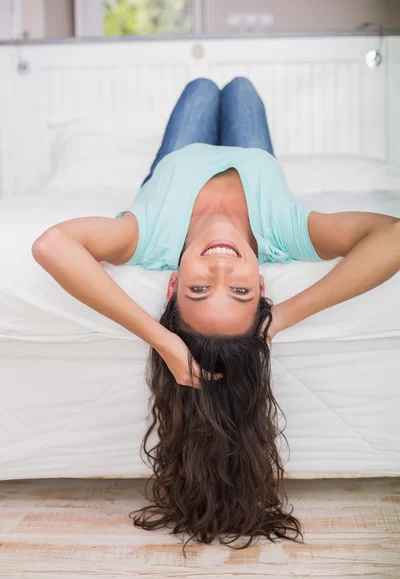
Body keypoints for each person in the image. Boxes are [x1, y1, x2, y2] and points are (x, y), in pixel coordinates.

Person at [32, 77, 400, 552]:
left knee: (202, 89)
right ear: (263, 284)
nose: (222, 264)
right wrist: (284, 315)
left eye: (199, 288)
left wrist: (162, 339)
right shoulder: (284, 230)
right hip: (254, 155)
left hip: (178, 156)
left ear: (172, 283)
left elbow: (51, 245)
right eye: (243, 290)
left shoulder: (148, 236)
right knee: (242, 90)